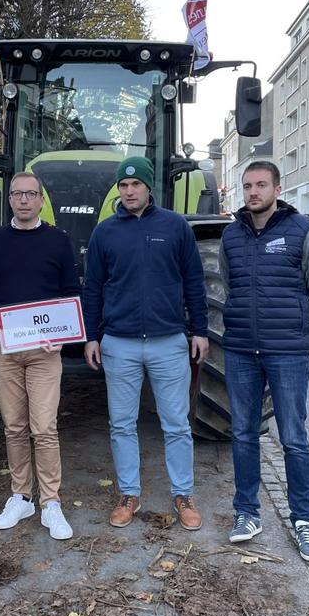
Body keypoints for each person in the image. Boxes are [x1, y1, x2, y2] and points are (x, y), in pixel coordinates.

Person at [82, 156, 209, 530]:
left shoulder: (175, 227)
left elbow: (194, 282)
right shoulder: (105, 232)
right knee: (122, 424)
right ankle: (128, 494)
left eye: (135, 185)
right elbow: (92, 289)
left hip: (168, 342)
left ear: (148, 187)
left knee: (176, 425)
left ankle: (183, 495)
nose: (129, 191)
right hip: (118, 343)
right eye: (123, 185)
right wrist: (91, 336)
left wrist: (199, 330)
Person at [219, 161, 309, 562]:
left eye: (261, 185)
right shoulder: (231, 235)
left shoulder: (301, 231)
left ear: (277, 188)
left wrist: (304, 345)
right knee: (243, 435)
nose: (253, 192)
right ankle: (247, 512)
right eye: (247, 185)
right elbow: (230, 286)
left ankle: (304, 521)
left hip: (288, 353)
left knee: (294, 439)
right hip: (240, 353)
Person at [0, 172, 80, 540]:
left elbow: (70, 292)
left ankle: (51, 502)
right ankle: (21, 496)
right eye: (17, 194)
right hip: (3, 348)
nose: (23, 200)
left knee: (44, 428)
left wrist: (63, 335)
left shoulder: (58, 241)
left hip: (44, 351)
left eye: (30, 194)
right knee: (14, 427)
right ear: (10, 200)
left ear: (40, 199)